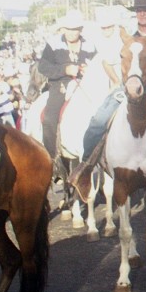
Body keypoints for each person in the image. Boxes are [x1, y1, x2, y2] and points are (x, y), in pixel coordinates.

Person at [69, 0, 146, 201]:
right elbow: (108, 61)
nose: (141, 13)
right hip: (130, 88)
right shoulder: (128, 35)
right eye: (138, 10)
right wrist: (117, 80)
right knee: (98, 120)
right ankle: (86, 167)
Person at [37, 9, 96, 172]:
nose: (71, 32)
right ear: (63, 29)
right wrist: (65, 69)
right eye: (68, 29)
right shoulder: (54, 44)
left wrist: (87, 70)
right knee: (49, 118)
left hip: (85, 86)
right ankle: (53, 159)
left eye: (75, 29)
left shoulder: (90, 46)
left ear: (80, 29)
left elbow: (98, 66)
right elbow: (43, 66)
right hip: (60, 86)